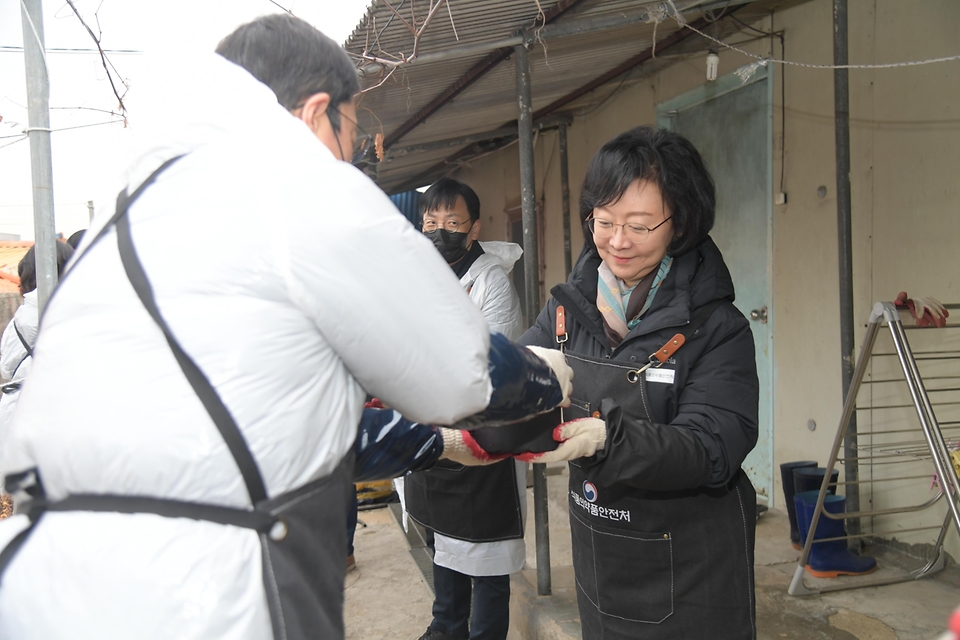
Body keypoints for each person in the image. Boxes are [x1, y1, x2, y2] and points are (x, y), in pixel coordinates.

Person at [0, 15, 572, 640]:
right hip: (206, 587)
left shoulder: (131, 218)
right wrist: (553, 379)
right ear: (316, 112)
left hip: (49, 583)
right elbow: (466, 377)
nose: (350, 157)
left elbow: (287, 420)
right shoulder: (302, 185)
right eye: (350, 135)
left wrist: (436, 445)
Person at [518, 126, 759, 639]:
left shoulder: (716, 328)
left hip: (692, 570)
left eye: (641, 225)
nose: (617, 241)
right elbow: (520, 377)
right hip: (601, 555)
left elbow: (712, 447)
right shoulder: (568, 309)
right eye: (603, 222)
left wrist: (611, 439)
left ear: (681, 223)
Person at [399, 178, 525, 640]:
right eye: (431, 222)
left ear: (473, 229)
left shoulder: (490, 281)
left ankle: (485, 633)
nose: (440, 232)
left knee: (485, 552)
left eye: (452, 223)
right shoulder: (417, 275)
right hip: (429, 431)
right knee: (442, 541)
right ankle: (446, 626)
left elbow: (488, 361)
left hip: (480, 435)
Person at [0, 242, 75, 438]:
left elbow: (6, 369)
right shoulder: (64, 315)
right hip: (52, 416)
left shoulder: (20, 317)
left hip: (14, 413)